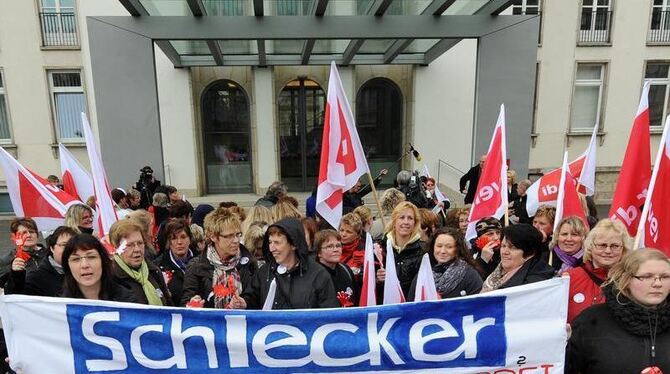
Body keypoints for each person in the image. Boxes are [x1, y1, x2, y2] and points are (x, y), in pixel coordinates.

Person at [567, 249, 670, 373]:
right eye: (647, 276)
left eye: (665, 277)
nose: (657, 283)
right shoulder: (591, 321)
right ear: (626, 279)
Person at [240, 217, 338, 310]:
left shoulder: (318, 275)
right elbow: (252, 297)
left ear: (294, 244)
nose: (272, 249)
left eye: (277, 243)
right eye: (270, 242)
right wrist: (244, 303)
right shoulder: (265, 272)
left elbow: (329, 313)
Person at [181, 208, 257, 308]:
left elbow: (257, 299)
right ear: (213, 237)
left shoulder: (249, 263)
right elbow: (185, 303)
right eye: (229, 236)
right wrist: (193, 304)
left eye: (238, 235)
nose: (236, 240)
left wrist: (245, 303)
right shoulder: (196, 266)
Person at [564, 219, 630, 323]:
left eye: (615, 246)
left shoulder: (631, 280)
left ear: (623, 249)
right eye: (602, 245)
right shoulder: (569, 278)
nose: (608, 251)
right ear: (590, 247)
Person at [109, 220, 171, 306]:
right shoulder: (110, 278)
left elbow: (169, 306)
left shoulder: (154, 271)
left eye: (140, 243)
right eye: (129, 245)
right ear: (117, 248)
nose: (137, 249)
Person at [409, 227, 483, 300]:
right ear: (433, 247)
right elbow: (411, 305)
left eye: (449, 247)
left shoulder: (469, 275)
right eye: (439, 246)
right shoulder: (423, 275)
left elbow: (478, 304)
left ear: (457, 249)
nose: (443, 251)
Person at [61, 234, 135, 302]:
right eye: (76, 259)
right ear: (67, 266)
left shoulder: (128, 301)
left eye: (91, 257)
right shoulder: (60, 308)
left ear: (103, 261)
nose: (85, 265)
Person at [481, 224, 553, 292]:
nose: (504, 252)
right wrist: (483, 262)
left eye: (512, 247)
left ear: (530, 252)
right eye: (503, 246)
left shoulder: (537, 281)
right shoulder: (498, 271)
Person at [376, 201, 426, 297]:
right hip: (387, 306)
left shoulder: (424, 250)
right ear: (394, 221)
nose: (406, 222)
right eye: (402, 217)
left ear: (415, 223)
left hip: (411, 305)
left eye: (410, 218)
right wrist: (377, 278)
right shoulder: (380, 248)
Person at [20, 226, 77, 296]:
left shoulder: (83, 272)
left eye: (73, 245)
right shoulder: (36, 278)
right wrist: (16, 275)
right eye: (64, 245)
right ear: (52, 248)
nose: (69, 249)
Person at [154, 219, 195, 306]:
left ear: (190, 239)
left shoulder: (202, 262)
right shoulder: (157, 267)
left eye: (183, 237)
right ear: (169, 242)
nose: (179, 242)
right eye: (174, 238)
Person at [1, 218, 48, 293]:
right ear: (14, 237)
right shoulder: (6, 260)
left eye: (32, 232)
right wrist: (14, 273)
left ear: (37, 235)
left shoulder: (50, 254)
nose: (28, 235)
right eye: (24, 233)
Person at [314, 229, 359, 307]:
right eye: (330, 246)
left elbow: (356, 299)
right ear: (319, 252)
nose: (336, 250)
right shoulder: (313, 275)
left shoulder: (346, 270)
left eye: (338, 245)